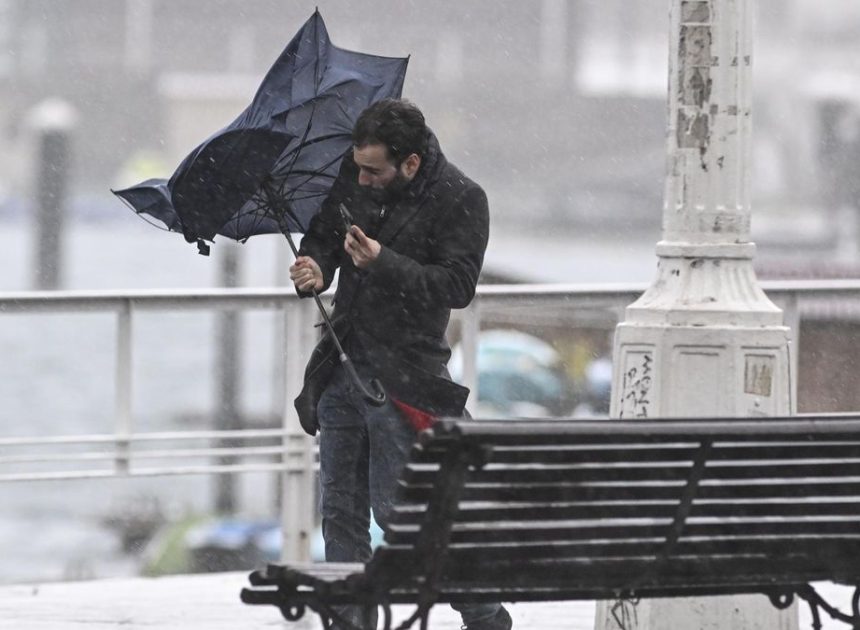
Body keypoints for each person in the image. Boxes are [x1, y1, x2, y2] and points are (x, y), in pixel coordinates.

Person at [289, 99, 511, 630]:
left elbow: (456, 287)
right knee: (340, 512)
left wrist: (382, 261)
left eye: (373, 170)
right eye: (357, 166)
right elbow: (323, 232)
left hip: (408, 376)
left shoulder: (461, 198)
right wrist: (316, 265)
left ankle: (483, 615)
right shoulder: (356, 175)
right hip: (343, 366)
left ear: (409, 163)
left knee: (400, 514)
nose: (361, 179)